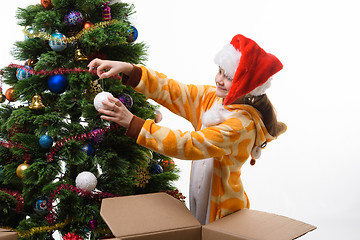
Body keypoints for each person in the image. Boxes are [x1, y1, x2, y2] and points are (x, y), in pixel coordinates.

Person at [88, 34, 287, 225]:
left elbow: (189, 144)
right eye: (220, 71)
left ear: (247, 86)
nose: (218, 79)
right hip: (201, 200)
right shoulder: (214, 98)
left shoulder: (240, 125)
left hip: (224, 213)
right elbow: (175, 91)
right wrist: (131, 70)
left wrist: (134, 123)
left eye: (228, 77)